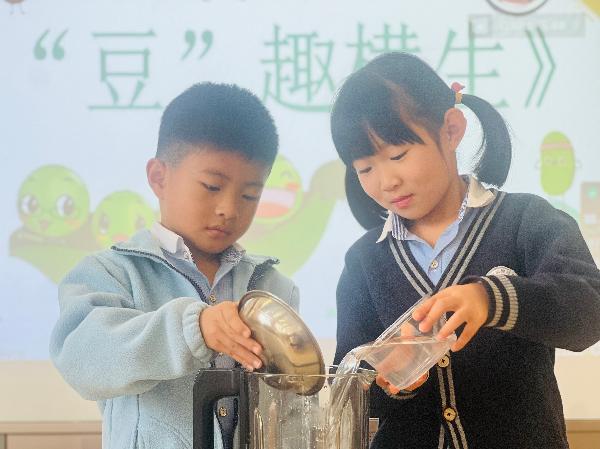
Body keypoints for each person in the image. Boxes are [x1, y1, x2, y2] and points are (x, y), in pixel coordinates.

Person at [330, 52, 600, 449]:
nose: (386, 181)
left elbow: (589, 309)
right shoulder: (364, 261)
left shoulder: (526, 220)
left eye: (398, 155)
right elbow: (348, 387)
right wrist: (389, 379)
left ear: (451, 129)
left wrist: (491, 300)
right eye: (365, 169)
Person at [50, 83, 299, 449]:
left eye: (250, 195)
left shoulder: (273, 288)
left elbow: (289, 410)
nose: (229, 209)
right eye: (212, 186)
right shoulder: (112, 272)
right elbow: (81, 360)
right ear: (159, 177)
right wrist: (193, 329)